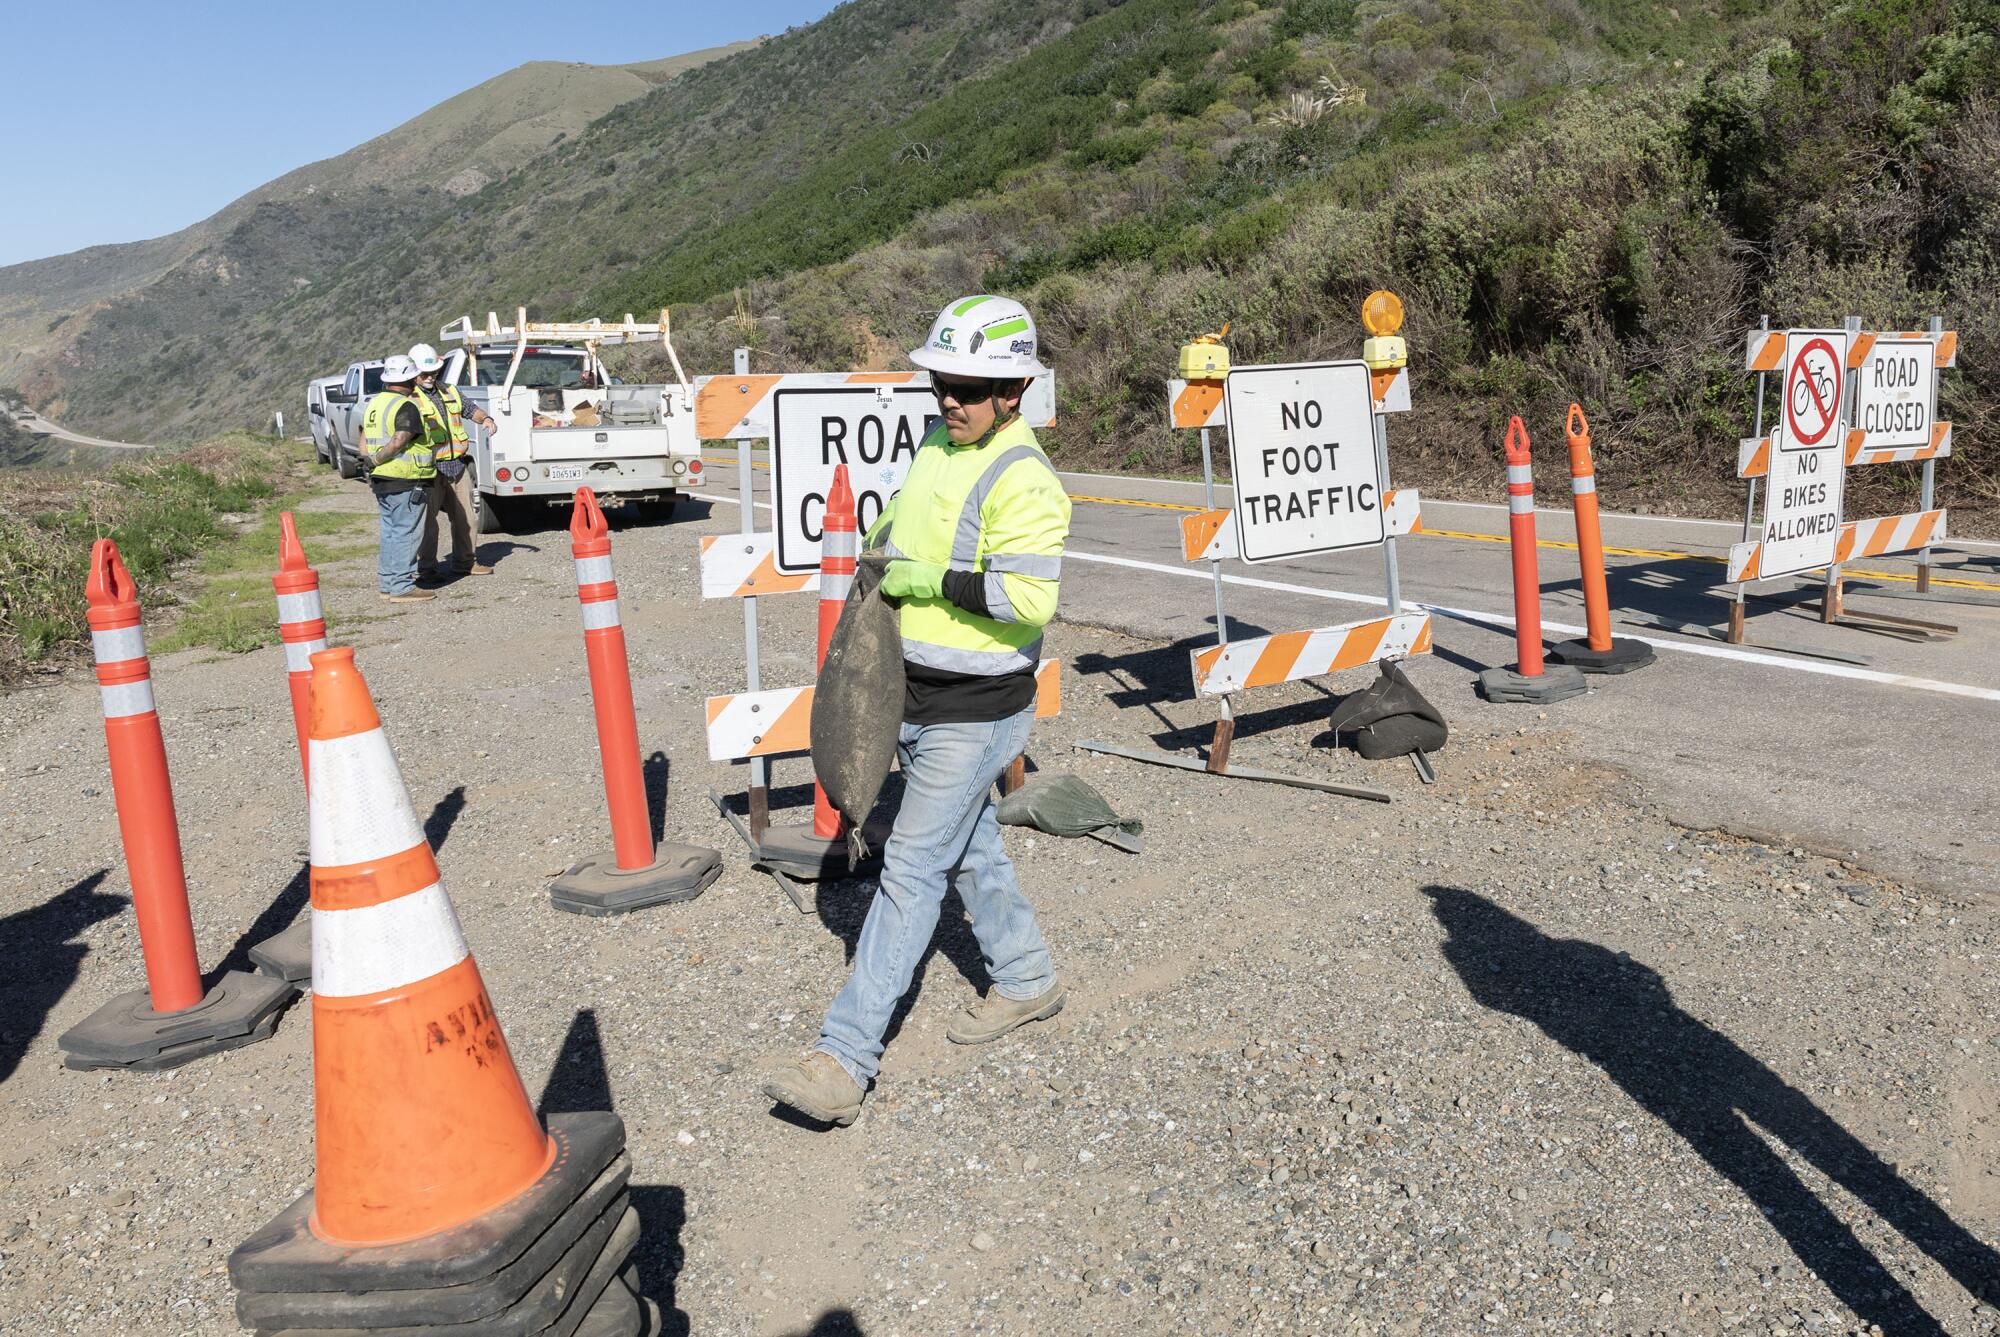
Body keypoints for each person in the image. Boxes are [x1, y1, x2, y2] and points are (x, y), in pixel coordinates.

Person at [763, 295, 1072, 1127]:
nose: (950, 399)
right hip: (916, 692)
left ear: (1013, 391)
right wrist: (886, 543)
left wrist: (925, 581)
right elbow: (914, 521)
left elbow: (1029, 596)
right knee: (970, 850)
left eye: (971, 386)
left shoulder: (1026, 479)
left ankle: (843, 1058)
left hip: (979, 709)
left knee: (908, 868)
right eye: (942, 381)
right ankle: (1029, 976)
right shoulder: (940, 443)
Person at [409, 342, 496, 581]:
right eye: (424, 374)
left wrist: (486, 419)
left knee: (467, 518)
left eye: (433, 372)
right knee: (427, 524)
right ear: (414, 373)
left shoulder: (450, 390)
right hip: (428, 470)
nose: (429, 377)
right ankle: (426, 569)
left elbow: (470, 409)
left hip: (456, 466)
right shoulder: (408, 398)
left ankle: (466, 563)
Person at [361, 355, 436, 604]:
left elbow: (362, 440)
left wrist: (370, 460)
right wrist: (378, 459)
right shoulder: (406, 406)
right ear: (410, 378)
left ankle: (388, 583)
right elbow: (400, 439)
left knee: (391, 532)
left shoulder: (374, 404)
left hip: (382, 480)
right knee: (406, 532)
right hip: (405, 479)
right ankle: (402, 586)